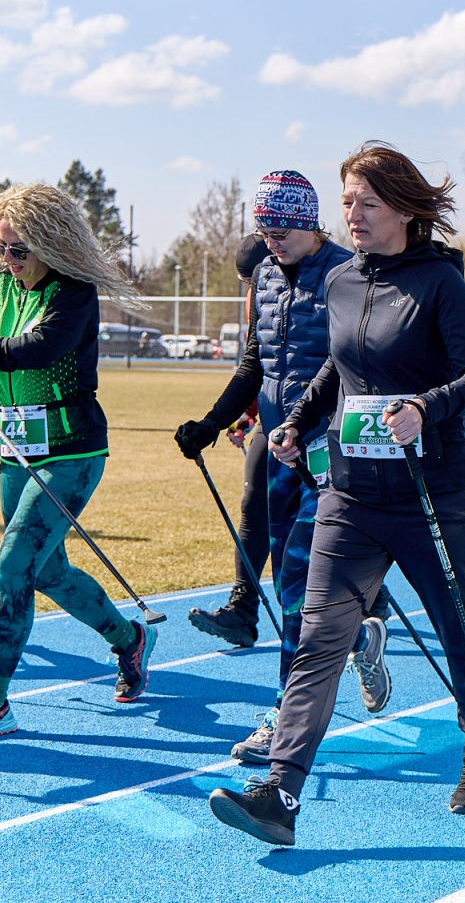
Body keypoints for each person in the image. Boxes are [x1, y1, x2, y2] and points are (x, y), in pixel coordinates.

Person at [209, 141, 465, 842]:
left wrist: (427, 408)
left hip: (435, 492)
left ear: (404, 210)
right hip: (353, 494)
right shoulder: (342, 281)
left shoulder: (439, 283)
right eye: (347, 202)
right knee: (317, 639)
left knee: (459, 629)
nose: (354, 214)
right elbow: (339, 374)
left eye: (366, 202)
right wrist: (296, 424)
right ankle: (279, 794)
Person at [175, 170, 392, 763]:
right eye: (262, 229)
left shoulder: (349, 273)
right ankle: (362, 629)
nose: (269, 240)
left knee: (298, 584)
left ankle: (283, 717)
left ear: (307, 221)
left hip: (334, 451)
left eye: (279, 228)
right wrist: (213, 422)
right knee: (286, 576)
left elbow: (357, 367)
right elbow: (255, 363)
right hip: (277, 449)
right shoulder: (266, 276)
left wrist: (315, 424)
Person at [0, 183, 157, 739]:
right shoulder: (2, 285)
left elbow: (39, 348)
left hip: (71, 449)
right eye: (1, 250)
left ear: (51, 244)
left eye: (19, 250)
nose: (9, 261)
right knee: (46, 570)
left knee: (11, 567)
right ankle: (128, 639)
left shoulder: (73, 292)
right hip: (15, 444)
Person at [188, 233, 275, 647]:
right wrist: (221, 421)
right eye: (248, 283)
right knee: (253, 505)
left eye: (253, 281)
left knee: (321, 520)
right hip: (273, 418)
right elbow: (255, 368)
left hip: (320, 419)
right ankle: (243, 609)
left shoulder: (321, 285)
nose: (251, 292)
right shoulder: (261, 304)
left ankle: (370, 594)